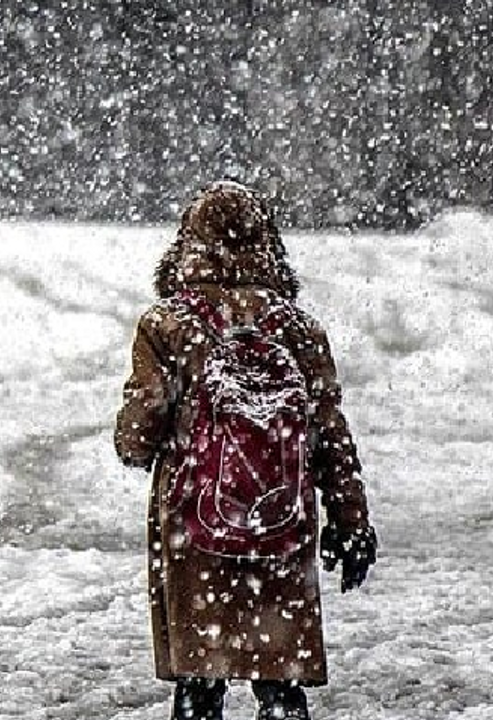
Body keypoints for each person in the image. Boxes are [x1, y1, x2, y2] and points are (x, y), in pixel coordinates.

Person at [114, 181, 377, 720]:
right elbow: (330, 433)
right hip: (281, 521)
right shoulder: (299, 329)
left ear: (187, 244)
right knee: (280, 681)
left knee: (199, 683)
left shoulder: (167, 325)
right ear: (268, 243)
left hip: (195, 522)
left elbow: (142, 427)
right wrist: (351, 521)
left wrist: (134, 443)